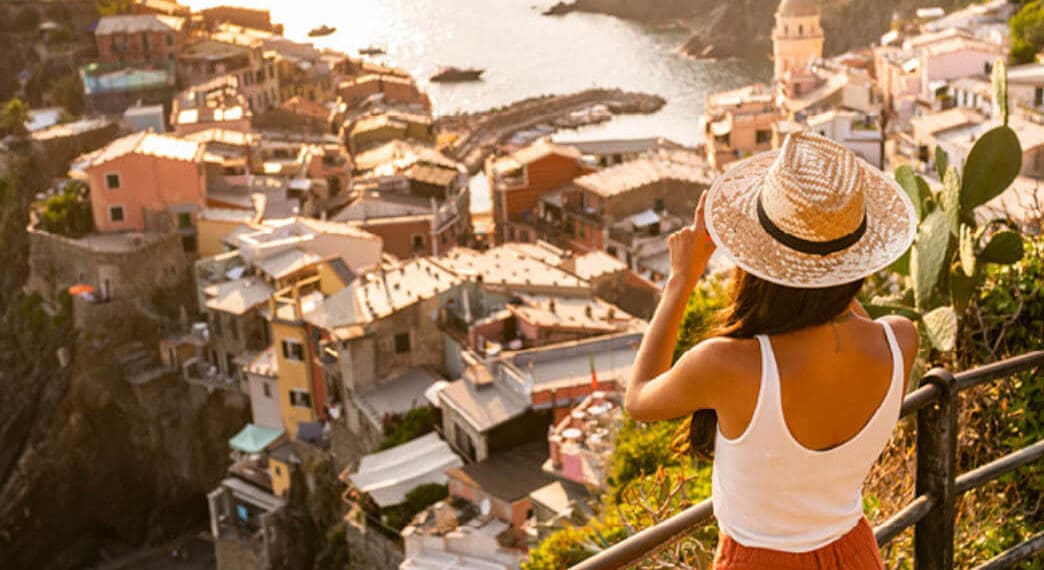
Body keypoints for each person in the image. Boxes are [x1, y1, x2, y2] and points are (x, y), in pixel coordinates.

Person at [625, 131, 920, 569]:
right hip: (855, 554)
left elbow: (638, 399)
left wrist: (680, 281)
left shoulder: (728, 364)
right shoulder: (899, 339)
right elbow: (836, 304)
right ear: (856, 257)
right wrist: (828, 254)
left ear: (759, 261)